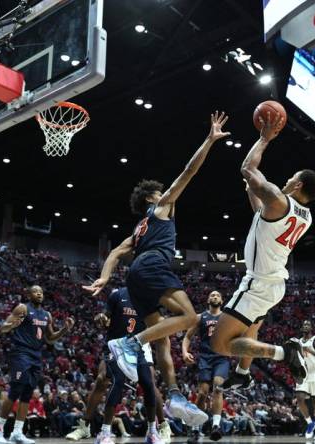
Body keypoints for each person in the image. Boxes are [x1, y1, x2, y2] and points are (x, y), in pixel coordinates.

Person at [83, 112, 231, 427]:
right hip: (153, 266)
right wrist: (209, 139)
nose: (166, 191)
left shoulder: (138, 228)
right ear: (153, 196)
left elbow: (116, 253)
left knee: (162, 339)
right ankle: (129, 343)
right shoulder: (162, 205)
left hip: (135, 276)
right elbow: (189, 171)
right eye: (161, 190)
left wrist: (105, 277)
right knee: (190, 317)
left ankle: (175, 394)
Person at [209, 113, 315, 390]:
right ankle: (243, 373)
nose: (287, 179)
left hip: (258, 282)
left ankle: (285, 352)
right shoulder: (305, 216)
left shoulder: (279, 200)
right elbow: (261, 215)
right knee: (251, 328)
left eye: (291, 178)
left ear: (297, 186)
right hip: (275, 284)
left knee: (220, 344)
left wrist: (263, 139)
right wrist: (253, 190)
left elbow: (247, 168)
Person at [66, 288, 165, 444]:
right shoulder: (118, 294)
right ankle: (90, 428)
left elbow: (157, 324)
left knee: (149, 383)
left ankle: (155, 429)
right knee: (104, 379)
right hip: (117, 344)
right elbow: (106, 316)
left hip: (138, 345)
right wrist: (103, 318)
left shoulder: (149, 297)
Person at [0, 285, 75, 444]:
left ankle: (17, 433)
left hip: (36, 355)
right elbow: (2, 328)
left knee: (27, 393)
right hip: (21, 353)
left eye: (41, 292)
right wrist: (11, 326)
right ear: (29, 294)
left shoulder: (46, 315)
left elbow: (50, 339)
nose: (39, 294)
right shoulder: (23, 308)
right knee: (15, 390)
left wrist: (64, 330)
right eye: (35, 292)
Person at [182, 291, 231, 441]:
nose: (214, 296)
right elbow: (188, 336)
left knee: (218, 387)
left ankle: (216, 425)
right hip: (205, 358)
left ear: (221, 300)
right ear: (208, 300)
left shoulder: (227, 317)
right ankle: (196, 428)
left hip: (221, 358)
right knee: (202, 393)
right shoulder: (200, 317)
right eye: (212, 295)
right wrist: (184, 352)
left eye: (217, 295)